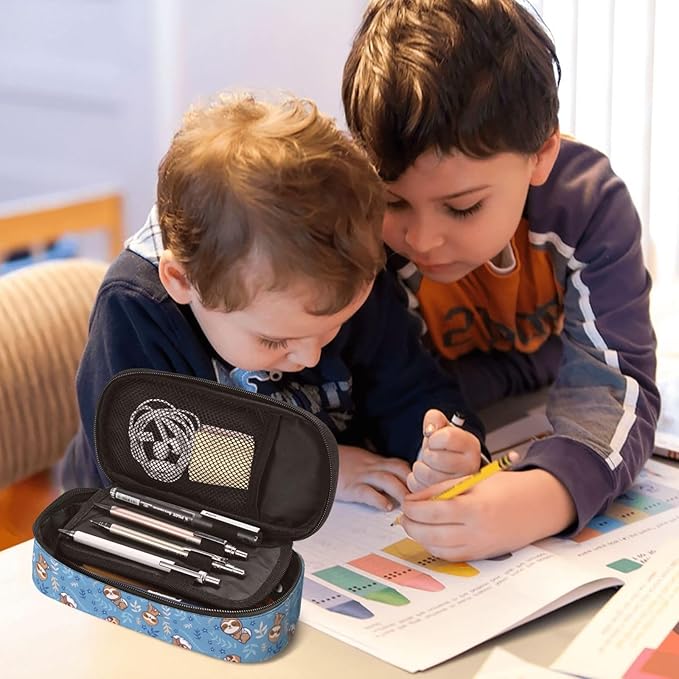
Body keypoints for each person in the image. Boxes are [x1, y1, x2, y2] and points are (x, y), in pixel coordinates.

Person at [59, 92, 487, 512]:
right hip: (124, 524)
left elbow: (408, 388)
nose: (310, 355)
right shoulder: (137, 309)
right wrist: (317, 469)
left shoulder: (344, 271)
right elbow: (145, 451)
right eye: (273, 341)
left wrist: (443, 449)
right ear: (183, 281)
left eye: (334, 327)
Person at [342, 0, 660, 559]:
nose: (422, 240)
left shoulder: (588, 205)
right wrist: (439, 445)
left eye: (463, 207)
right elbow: (379, 391)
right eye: (392, 201)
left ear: (541, 154)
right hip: (466, 405)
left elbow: (616, 384)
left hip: (545, 388)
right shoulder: (357, 223)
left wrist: (547, 495)